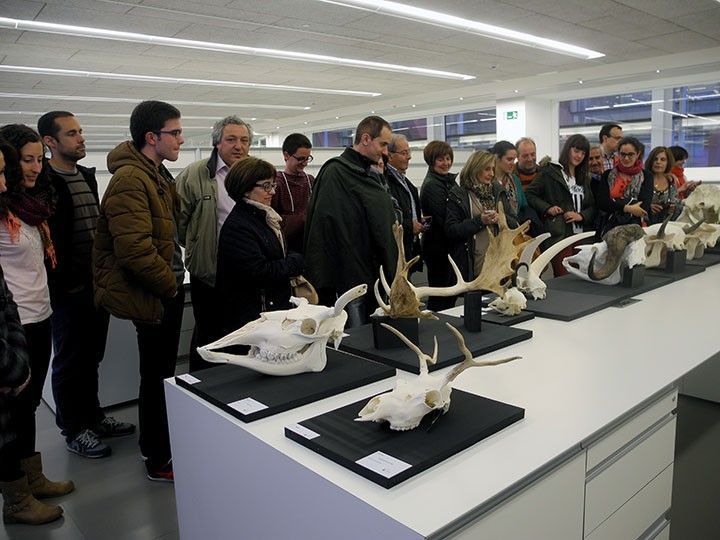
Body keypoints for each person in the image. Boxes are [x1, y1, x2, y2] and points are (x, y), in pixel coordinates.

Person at [93, 101, 186, 482]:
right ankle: (159, 457)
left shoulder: (156, 174)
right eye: (175, 133)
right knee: (156, 376)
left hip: (163, 289)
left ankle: (156, 445)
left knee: (160, 373)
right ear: (152, 137)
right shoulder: (132, 179)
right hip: (155, 293)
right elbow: (133, 250)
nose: (181, 139)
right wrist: (170, 286)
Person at [38, 111, 134, 459]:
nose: (81, 138)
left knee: (92, 357)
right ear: (50, 141)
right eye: (72, 133)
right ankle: (74, 428)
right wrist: (64, 284)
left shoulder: (86, 177)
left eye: (81, 132)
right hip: (67, 291)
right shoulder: (44, 183)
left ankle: (93, 418)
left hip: (96, 286)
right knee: (68, 361)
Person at [0, 131, 74, 524]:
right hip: (14, 327)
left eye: (37, 159)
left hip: (40, 315)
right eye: (25, 160)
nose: (34, 167)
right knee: (8, 417)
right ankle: (15, 499)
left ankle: (32, 478)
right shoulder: (1, 210)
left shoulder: (33, 206)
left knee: (27, 408)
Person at [176, 116, 252, 371]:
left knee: (243, 335)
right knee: (208, 336)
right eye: (231, 139)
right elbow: (179, 222)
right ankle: (203, 392)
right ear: (217, 143)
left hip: (246, 272)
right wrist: (199, 245)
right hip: (209, 272)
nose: (238, 146)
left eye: (244, 140)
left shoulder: (254, 174)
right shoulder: (196, 174)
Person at [304, 115, 396, 324]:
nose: (385, 151)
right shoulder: (336, 173)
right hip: (350, 278)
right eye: (382, 144)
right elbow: (327, 229)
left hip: (372, 273)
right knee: (356, 337)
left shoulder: (367, 173)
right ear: (365, 139)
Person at [216, 157, 304, 337]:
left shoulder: (264, 218)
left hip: (270, 310)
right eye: (266, 186)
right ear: (246, 189)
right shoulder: (239, 226)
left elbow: (278, 254)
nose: (272, 191)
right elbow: (258, 272)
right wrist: (295, 262)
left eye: (273, 185)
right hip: (255, 318)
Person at [526, 134, 596, 276]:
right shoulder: (550, 172)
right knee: (564, 278)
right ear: (568, 149)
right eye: (576, 151)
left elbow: (593, 206)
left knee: (582, 278)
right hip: (560, 234)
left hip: (582, 236)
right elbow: (529, 194)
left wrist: (581, 216)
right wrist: (547, 208)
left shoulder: (584, 177)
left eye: (583, 153)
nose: (579, 156)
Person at [445, 150, 517, 280]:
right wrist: (480, 221)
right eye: (487, 169)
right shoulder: (459, 195)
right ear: (475, 169)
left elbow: (514, 222)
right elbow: (451, 230)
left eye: (493, 169)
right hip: (474, 264)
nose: (492, 174)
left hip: (500, 262)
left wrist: (500, 219)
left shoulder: (497, 191)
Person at [420, 140, 457, 311]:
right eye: (441, 159)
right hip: (437, 247)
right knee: (440, 292)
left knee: (449, 290)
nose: (446, 163)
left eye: (448, 158)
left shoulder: (446, 181)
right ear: (431, 160)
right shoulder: (432, 185)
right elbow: (444, 218)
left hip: (445, 245)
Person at [596, 136, 652, 234]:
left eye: (630, 154)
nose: (626, 158)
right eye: (623, 154)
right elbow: (602, 203)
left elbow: (644, 206)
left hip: (636, 228)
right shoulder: (608, 175)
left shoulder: (646, 176)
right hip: (609, 227)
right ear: (618, 154)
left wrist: (615, 203)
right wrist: (627, 208)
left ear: (638, 154)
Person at [385, 134, 423, 277]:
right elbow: (388, 217)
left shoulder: (405, 182)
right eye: (404, 153)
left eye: (409, 152)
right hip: (396, 252)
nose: (409, 157)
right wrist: (409, 226)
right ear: (390, 156)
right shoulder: (386, 182)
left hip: (408, 248)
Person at [272, 133, 315, 254]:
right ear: (286, 155)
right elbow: (273, 221)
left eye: (308, 158)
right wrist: (305, 218)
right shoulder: (276, 183)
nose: (305, 163)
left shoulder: (311, 180)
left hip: (310, 247)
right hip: (286, 249)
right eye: (300, 158)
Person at [646, 146, 682, 225]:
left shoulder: (671, 180)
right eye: (655, 159)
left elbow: (676, 201)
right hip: (646, 225)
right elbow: (635, 201)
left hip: (667, 225)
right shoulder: (643, 179)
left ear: (668, 162)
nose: (658, 162)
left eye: (663, 159)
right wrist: (648, 207)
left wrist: (673, 208)